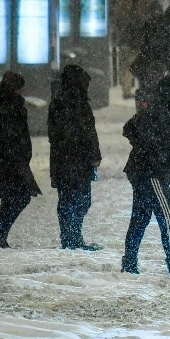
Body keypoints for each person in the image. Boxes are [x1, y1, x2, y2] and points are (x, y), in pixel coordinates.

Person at [121, 76, 170, 276]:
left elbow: (130, 129)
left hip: (142, 171)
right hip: (152, 173)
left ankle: (129, 262)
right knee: (169, 217)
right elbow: (168, 139)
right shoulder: (161, 110)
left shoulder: (157, 107)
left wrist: (146, 144)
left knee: (140, 218)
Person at [48, 64, 102, 250]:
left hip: (68, 160)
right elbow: (87, 133)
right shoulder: (73, 104)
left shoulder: (64, 103)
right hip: (75, 160)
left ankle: (72, 236)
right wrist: (91, 154)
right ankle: (71, 237)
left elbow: (87, 133)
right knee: (75, 200)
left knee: (73, 199)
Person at [0, 72, 41, 248]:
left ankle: (1, 236)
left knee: (12, 197)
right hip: (11, 160)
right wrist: (18, 155)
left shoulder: (2, 103)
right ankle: (0, 236)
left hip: (8, 159)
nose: (20, 92)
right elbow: (11, 134)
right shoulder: (8, 105)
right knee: (20, 196)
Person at [113, 0, 145, 100]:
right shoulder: (134, 5)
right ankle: (128, 90)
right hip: (131, 41)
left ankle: (127, 90)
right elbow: (125, 21)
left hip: (128, 41)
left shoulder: (125, 5)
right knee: (129, 66)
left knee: (127, 67)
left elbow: (120, 21)